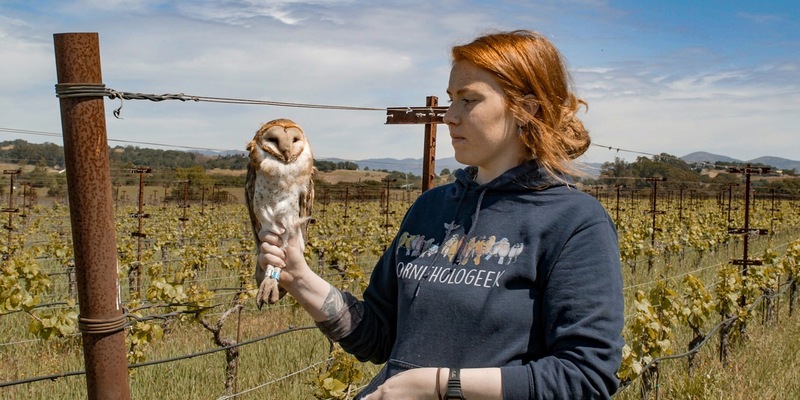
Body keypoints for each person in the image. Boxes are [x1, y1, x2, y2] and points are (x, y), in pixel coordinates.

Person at [259, 29, 624, 399]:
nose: (449, 116)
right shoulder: (430, 208)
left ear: (525, 110)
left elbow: (585, 378)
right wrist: (300, 278)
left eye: (469, 100)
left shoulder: (574, 222)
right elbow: (380, 336)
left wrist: (436, 386)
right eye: (452, 99)